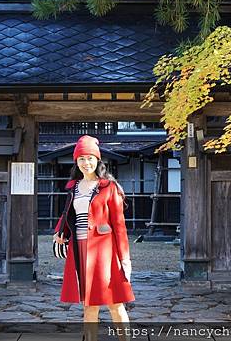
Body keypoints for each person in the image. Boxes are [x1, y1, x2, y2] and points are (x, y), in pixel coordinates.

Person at [53, 135, 134, 341]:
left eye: (90, 158)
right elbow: (67, 215)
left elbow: (119, 226)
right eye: (81, 158)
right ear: (76, 161)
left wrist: (125, 259)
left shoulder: (109, 187)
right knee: (89, 306)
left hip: (104, 252)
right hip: (79, 250)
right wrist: (60, 232)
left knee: (115, 303)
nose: (85, 163)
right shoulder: (73, 187)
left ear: (98, 160)